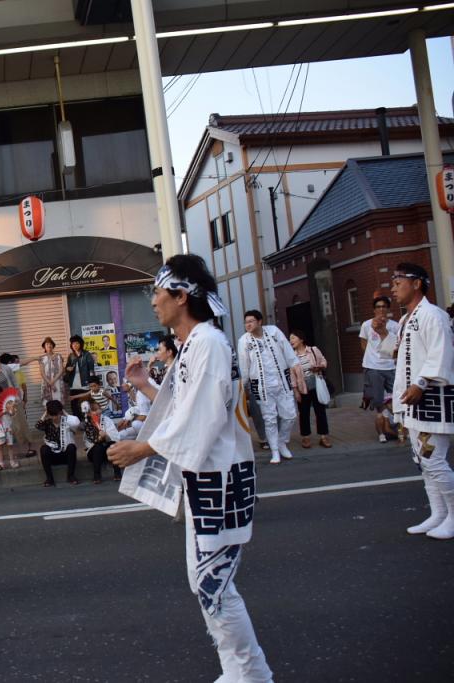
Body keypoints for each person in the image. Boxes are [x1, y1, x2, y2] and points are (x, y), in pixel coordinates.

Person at [109, 254, 272, 682]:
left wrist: (143, 449)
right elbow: (189, 407)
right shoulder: (196, 345)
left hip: (220, 479)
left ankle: (253, 675)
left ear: (181, 297)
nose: (153, 302)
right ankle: (238, 669)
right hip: (207, 477)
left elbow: (199, 416)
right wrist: (146, 385)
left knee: (213, 586)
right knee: (206, 585)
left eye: (158, 293)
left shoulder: (208, 344)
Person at [391, 263, 454, 540]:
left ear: (416, 283)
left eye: (398, 281)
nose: (393, 287)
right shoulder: (406, 319)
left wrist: (421, 383)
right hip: (413, 400)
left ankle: (453, 515)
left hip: (431, 397)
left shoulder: (433, 315)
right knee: (422, 460)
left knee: (433, 458)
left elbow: (440, 354)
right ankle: (438, 513)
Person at [238, 309, 305, 464]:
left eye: (251, 321)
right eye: (246, 322)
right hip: (260, 385)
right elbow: (244, 365)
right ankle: (275, 450)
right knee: (269, 419)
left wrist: (295, 367)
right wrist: (243, 386)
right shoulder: (244, 341)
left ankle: (282, 441)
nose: (248, 324)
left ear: (259, 321)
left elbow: (288, 352)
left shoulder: (274, 332)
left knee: (290, 415)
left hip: (281, 380)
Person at [360, 295, 401, 443]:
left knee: (397, 397)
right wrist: (372, 358)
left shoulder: (395, 326)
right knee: (378, 400)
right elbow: (363, 344)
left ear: (388, 309)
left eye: (384, 306)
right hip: (373, 367)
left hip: (390, 366)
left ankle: (394, 425)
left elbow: (396, 348)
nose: (381, 309)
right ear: (374, 309)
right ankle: (382, 432)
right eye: (378, 306)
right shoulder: (366, 325)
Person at [290, 330, 331, 449]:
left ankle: (324, 436)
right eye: (290, 338)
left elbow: (323, 360)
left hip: (316, 384)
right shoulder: (291, 357)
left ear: (301, 339)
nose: (291, 341)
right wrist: (296, 391)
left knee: (320, 411)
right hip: (302, 387)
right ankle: (306, 437)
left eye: (293, 338)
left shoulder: (313, 350)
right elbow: (292, 375)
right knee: (304, 413)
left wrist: (320, 366)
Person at [35, 399, 81, 487]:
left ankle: (71, 476)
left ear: (60, 412)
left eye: (56, 414)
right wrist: (45, 413)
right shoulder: (47, 423)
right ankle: (49, 478)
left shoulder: (68, 421)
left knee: (72, 447)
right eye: (52, 415)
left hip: (65, 455)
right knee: (44, 449)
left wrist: (64, 412)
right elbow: (38, 425)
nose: (54, 417)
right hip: (53, 456)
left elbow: (76, 423)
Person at [83, 399, 120, 483]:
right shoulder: (87, 423)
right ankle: (97, 475)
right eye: (93, 410)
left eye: (98, 409)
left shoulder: (107, 420)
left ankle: (117, 473)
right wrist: (99, 438)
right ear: (88, 413)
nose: (97, 412)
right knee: (98, 447)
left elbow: (116, 437)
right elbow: (90, 440)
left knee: (113, 444)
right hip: (94, 452)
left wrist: (106, 436)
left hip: (107, 452)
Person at [64, 335, 95, 418]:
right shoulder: (71, 356)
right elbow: (66, 367)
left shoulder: (87, 354)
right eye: (73, 343)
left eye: (77, 343)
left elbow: (91, 369)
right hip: (73, 385)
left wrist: (92, 382)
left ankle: (87, 424)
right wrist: (68, 368)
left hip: (85, 384)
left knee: (85, 406)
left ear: (80, 344)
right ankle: (78, 425)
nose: (75, 345)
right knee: (74, 407)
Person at [36, 337, 66, 405]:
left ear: (53, 345)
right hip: (46, 382)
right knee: (48, 404)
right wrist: (49, 382)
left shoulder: (58, 356)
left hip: (57, 381)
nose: (49, 345)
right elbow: (42, 372)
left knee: (59, 402)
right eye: (47, 344)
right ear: (44, 347)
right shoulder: (41, 358)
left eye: (50, 344)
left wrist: (52, 381)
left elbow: (61, 370)